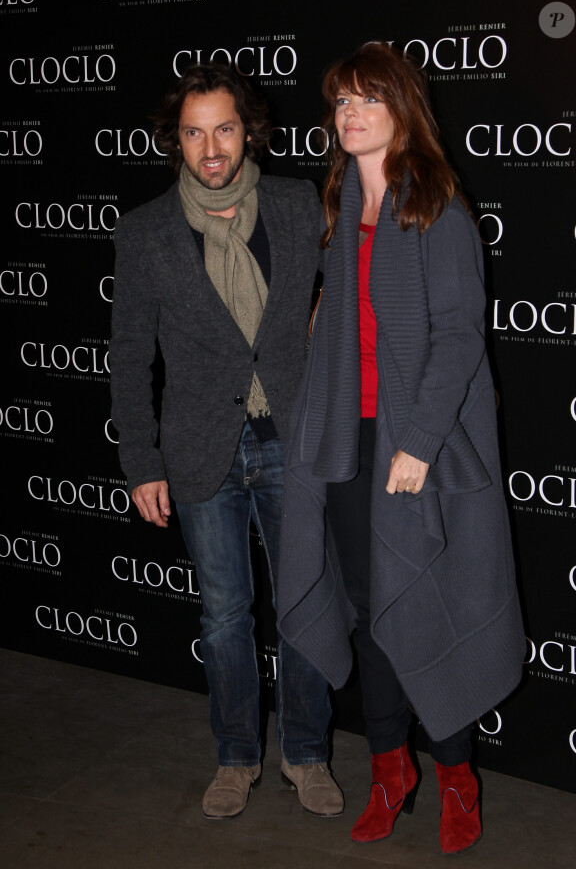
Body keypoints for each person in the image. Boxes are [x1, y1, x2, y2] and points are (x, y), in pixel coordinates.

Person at [276, 42, 525, 854]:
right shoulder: (343, 204)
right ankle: (391, 769)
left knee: (424, 604)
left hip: (419, 444)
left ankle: (457, 773)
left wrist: (415, 443)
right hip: (351, 442)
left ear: (401, 108)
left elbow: (458, 338)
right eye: (340, 102)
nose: (350, 115)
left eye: (366, 100)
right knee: (371, 614)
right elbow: (339, 330)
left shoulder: (437, 203)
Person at [109, 63, 343, 821]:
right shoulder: (144, 231)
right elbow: (127, 354)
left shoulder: (294, 202)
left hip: (292, 442)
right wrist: (141, 462)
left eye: (225, 128)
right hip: (200, 448)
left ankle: (307, 754)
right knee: (223, 616)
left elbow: (343, 303)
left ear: (250, 130)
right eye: (193, 131)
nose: (211, 148)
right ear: (174, 138)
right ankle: (237, 756)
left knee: (304, 606)